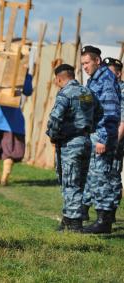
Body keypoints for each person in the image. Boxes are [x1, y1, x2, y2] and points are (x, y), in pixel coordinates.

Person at [46, 64, 100, 232]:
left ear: (59, 78)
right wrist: (88, 127)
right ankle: (68, 219)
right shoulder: (87, 92)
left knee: (70, 183)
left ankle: (75, 225)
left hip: (70, 144)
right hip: (86, 141)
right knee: (79, 182)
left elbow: (55, 119)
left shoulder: (65, 94)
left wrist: (53, 136)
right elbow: (99, 113)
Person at [80, 45, 121, 234]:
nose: (84, 67)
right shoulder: (94, 79)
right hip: (95, 133)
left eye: (87, 63)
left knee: (101, 177)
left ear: (97, 60)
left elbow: (111, 112)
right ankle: (103, 218)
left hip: (102, 135)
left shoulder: (105, 79)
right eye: (82, 64)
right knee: (99, 176)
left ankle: (103, 222)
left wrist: (103, 138)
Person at [0, 70, 33, 186]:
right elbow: (28, 90)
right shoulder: (21, 70)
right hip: (13, 118)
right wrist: (25, 75)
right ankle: (4, 179)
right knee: (11, 150)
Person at [103, 57, 124, 223]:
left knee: (113, 176)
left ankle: (110, 213)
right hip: (103, 139)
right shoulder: (106, 88)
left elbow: (122, 121)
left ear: (118, 73)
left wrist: (114, 142)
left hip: (115, 141)